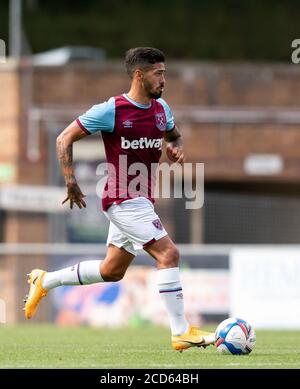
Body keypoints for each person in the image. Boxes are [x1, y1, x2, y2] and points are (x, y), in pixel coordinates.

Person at [24, 47, 215, 351]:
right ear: (139, 75)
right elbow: (64, 137)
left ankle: (45, 281)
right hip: (122, 198)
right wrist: (71, 181)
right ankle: (180, 331)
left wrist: (175, 147)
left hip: (142, 199)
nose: (164, 79)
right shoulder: (112, 110)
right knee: (169, 255)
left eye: (165, 72)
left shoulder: (161, 109)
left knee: (112, 270)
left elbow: (174, 135)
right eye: (158, 73)